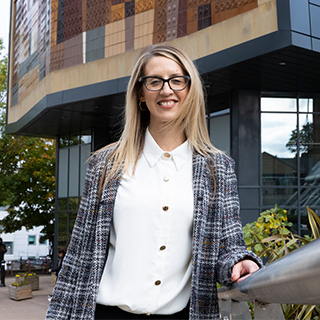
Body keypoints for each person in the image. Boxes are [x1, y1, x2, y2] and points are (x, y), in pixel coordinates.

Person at [46, 44, 262, 320]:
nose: (166, 90)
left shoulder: (217, 168)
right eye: (154, 81)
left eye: (176, 80)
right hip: (108, 313)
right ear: (140, 93)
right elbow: (80, 253)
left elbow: (228, 246)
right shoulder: (106, 164)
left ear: (189, 89)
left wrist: (240, 261)